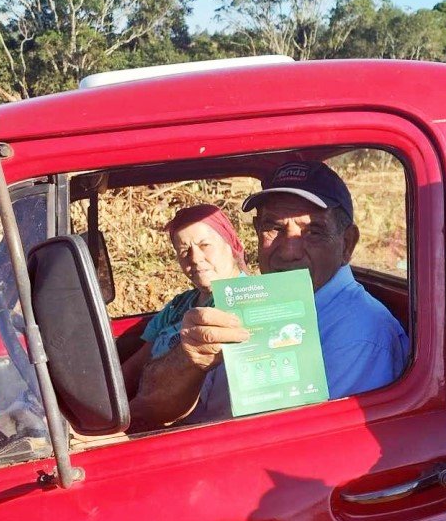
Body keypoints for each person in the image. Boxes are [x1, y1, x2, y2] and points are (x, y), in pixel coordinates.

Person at [130, 160, 409, 427]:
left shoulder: (360, 336)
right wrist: (189, 358)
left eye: (313, 231)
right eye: (274, 228)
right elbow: (152, 405)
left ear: (347, 244)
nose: (288, 251)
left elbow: (306, 454)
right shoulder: (248, 300)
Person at [122, 204, 248, 397]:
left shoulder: (246, 298)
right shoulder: (180, 303)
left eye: (204, 245)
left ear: (231, 245)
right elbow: (136, 366)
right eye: (183, 251)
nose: (195, 258)